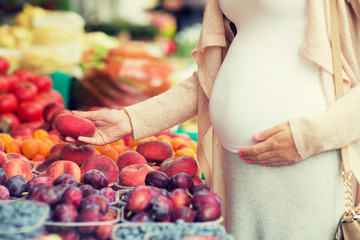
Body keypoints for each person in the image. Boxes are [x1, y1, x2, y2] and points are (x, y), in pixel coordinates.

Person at [63, 0, 360, 239]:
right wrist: (130, 119)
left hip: (304, 158)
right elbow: (209, 76)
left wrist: (310, 136)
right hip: (234, 162)